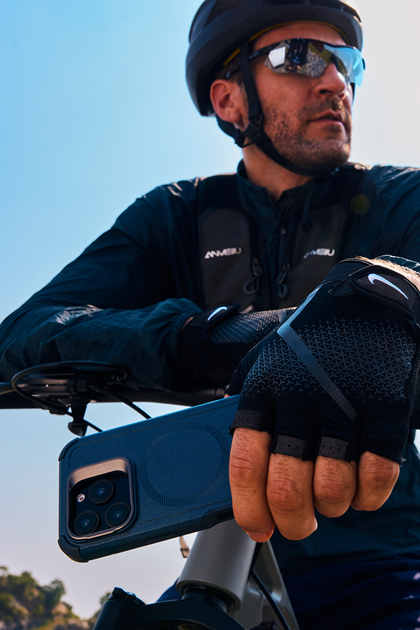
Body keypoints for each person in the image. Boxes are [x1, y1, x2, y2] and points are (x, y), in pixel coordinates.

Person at [1, 0, 420, 627]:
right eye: (300, 57)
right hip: (222, 554)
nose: (336, 81)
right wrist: (211, 339)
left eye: (347, 62)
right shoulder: (174, 215)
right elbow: (25, 334)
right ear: (229, 100)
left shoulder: (397, 198)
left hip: (384, 564)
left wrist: (391, 297)